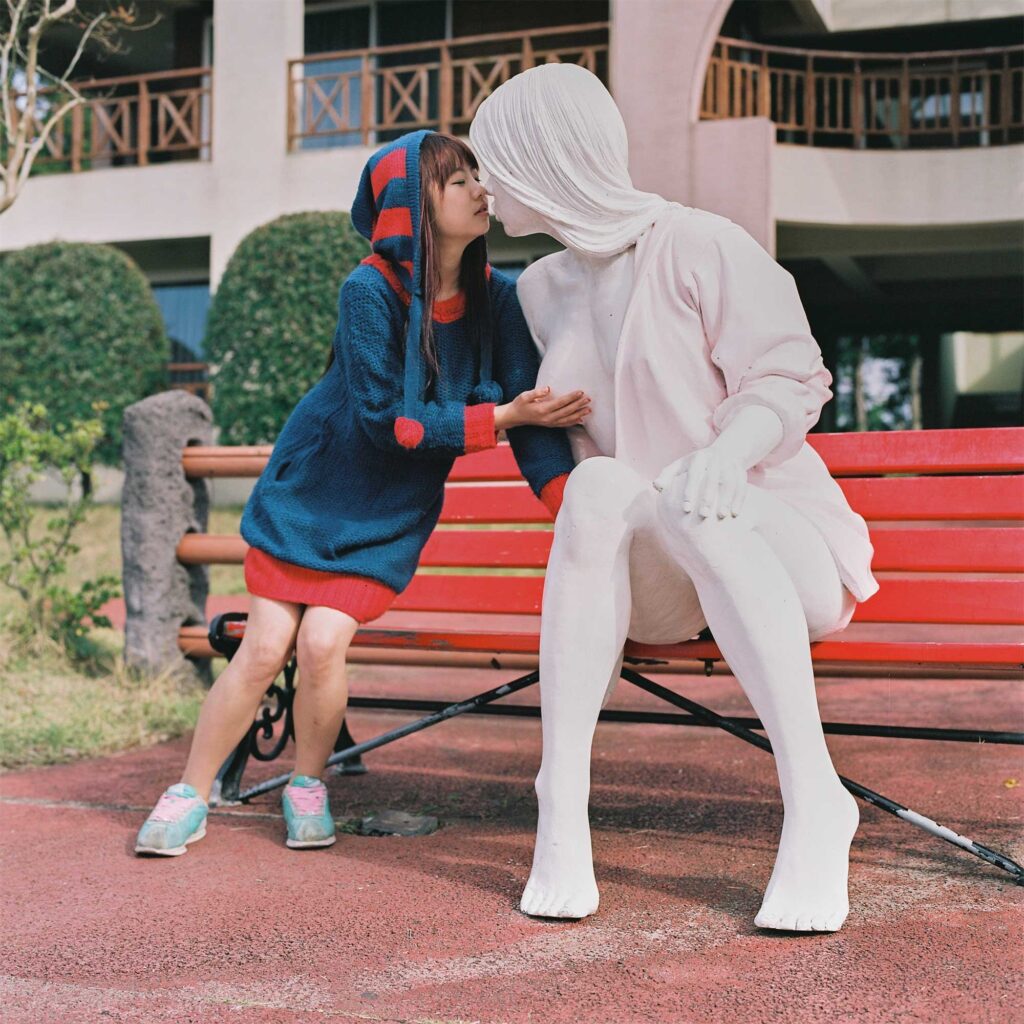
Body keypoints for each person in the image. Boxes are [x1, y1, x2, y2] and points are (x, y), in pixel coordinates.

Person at [469, 65, 879, 931]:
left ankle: (816, 802)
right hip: (656, 575)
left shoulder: (702, 243)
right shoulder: (537, 291)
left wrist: (727, 454)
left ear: (545, 158)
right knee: (597, 484)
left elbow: (789, 374)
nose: (484, 181)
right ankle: (562, 794)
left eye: (492, 158)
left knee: (696, 500)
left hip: (774, 542)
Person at [135, 129, 584, 857]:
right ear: (413, 204)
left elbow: (534, 414)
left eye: (477, 175)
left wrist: (568, 499)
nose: (479, 188)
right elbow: (389, 423)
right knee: (263, 645)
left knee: (321, 641)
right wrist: (501, 416)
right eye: (457, 179)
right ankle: (188, 793)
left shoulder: (497, 299)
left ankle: (306, 785)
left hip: (388, 514)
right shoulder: (368, 289)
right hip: (312, 490)